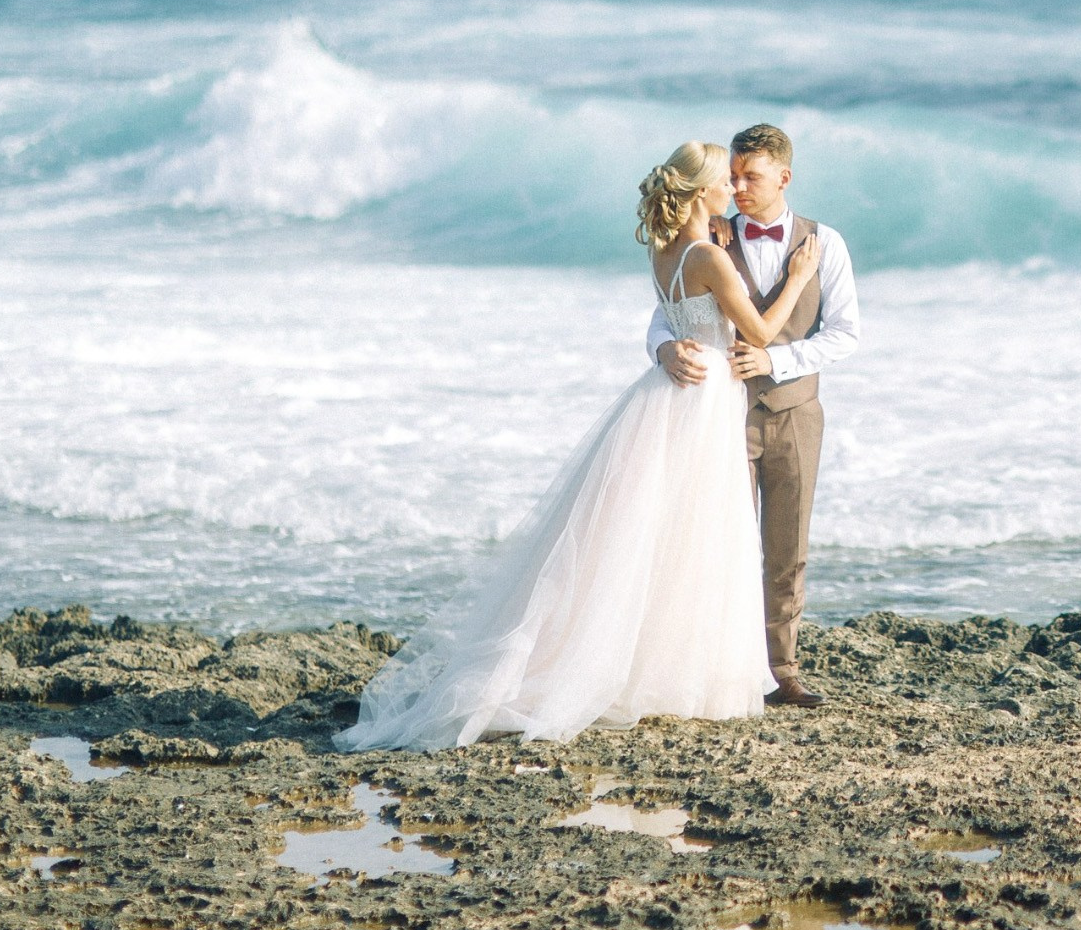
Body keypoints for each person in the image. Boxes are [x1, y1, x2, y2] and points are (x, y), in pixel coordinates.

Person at [334, 142, 813, 750]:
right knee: (695, 532)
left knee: (657, 535)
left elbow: (676, 313)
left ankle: (648, 665)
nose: (733, 190)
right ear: (700, 193)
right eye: (724, 180)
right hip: (703, 398)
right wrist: (797, 279)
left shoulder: (667, 250)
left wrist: (670, 343)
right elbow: (763, 331)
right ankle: (671, 673)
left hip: (676, 398)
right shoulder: (710, 258)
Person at [646, 124, 861, 707]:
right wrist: (663, 348)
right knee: (722, 542)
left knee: (787, 546)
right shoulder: (709, 235)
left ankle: (783, 670)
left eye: (751, 177)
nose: (738, 187)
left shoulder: (826, 244)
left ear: (784, 178)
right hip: (722, 414)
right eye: (732, 176)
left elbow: (845, 334)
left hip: (795, 412)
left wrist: (778, 358)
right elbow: (671, 312)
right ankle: (724, 667)